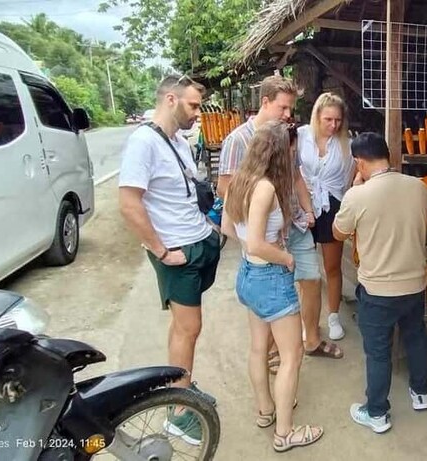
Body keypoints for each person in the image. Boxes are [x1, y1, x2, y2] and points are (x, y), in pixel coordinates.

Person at [118, 74, 219, 444]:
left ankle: (182, 385)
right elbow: (129, 205)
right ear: (171, 100)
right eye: (193, 106)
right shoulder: (143, 143)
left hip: (194, 242)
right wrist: (161, 250)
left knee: (183, 327)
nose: (198, 113)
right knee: (189, 328)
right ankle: (178, 412)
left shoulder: (176, 139)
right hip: (177, 252)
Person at [220, 120, 324, 452]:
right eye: (291, 152)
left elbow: (226, 226)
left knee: (257, 348)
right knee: (292, 356)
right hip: (269, 278)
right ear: (279, 153)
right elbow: (255, 244)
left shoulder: (240, 181)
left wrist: (263, 241)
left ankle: (266, 410)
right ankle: (285, 433)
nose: (294, 157)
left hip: (249, 276)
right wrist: (285, 257)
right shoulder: (264, 188)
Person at [218, 75, 328, 371]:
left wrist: (308, 210)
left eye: (291, 109)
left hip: (293, 222)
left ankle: (312, 340)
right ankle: (272, 355)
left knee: (312, 280)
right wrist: (251, 232)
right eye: (283, 108)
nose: (288, 115)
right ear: (264, 102)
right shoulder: (238, 140)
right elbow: (225, 189)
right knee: (273, 299)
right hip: (265, 234)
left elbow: (296, 176)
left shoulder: (287, 136)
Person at [332, 133, 427, 434]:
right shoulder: (418, 186)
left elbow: (338, 233)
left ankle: (377, 412)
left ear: (360, 162)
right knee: (416, 338)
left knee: (378, 352)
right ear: (387, 157)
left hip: (378, 290)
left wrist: (353, 189)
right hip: (415, 283)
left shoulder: (358, 195)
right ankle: (421, 393)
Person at [297, 92, 356, 349]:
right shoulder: (300, 137)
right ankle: (307, 319)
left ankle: (333, 315)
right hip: (303, 204)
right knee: (305, 268)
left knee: (332, 266)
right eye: (328, 119)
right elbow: (292, 171)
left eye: (338, 120)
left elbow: (350, 178)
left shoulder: (347, 143)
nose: (333, 125)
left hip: (332, 204)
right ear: (317, 117)